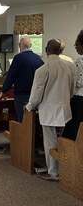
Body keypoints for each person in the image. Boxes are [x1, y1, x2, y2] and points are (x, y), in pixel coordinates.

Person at [26, 39, 75, 181]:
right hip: (65, 110)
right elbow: (71, 89)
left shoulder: (43, 70)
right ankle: (65, 169)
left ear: (47, 50)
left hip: (49, 112)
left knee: (50, 143)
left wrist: (29, 106)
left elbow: (36, 94)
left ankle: (53, 172)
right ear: (60, 51)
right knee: (63, 141)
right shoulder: (69, 67)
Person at [0, 37, 44, 122]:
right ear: (31, 45)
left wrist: (3, 91)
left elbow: (11, 76)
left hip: (22, 95)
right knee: (33, 120)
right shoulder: (38, 59)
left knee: (23, 120)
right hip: (36, 95)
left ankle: (23, 135)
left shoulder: (18, 58)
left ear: (19, 46)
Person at [62, 30, 83, 140]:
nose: (75, 47)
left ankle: (70, 154)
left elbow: (78, 82)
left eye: (77, 44)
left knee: (73, 128)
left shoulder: (80, 61)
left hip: (79, 99)